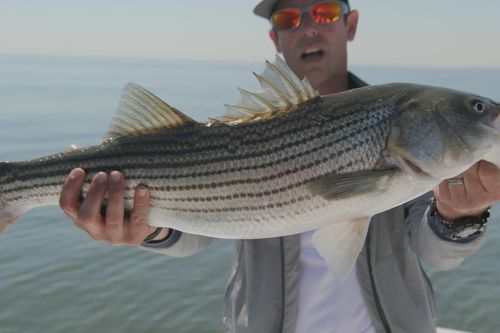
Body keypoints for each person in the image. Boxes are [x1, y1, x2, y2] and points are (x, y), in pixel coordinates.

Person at [59, 1, 500, 332]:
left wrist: (461, 215)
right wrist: (146, 227)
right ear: (275, 37)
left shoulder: (403, 139)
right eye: (289, 18)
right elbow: (193, 233)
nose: (308, 29)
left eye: (324, 11)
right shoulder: (238, 133)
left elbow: (435, 251)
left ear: (350, 24)